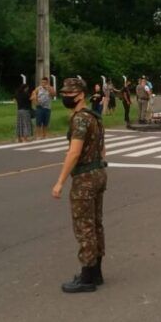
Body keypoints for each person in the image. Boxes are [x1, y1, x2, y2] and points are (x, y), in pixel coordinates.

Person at [51, 78, 107, 294]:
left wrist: (60, 181)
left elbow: (74, 152)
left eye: (70, 94)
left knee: (84, 227)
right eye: (64, 93)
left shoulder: (80, 119)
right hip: (98, 173)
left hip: (84, 178)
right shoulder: (94, 116)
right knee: (96, 224)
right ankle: (96, 272)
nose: (66, 97)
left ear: (81, 95)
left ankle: (86, 278)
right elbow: (103, 148)